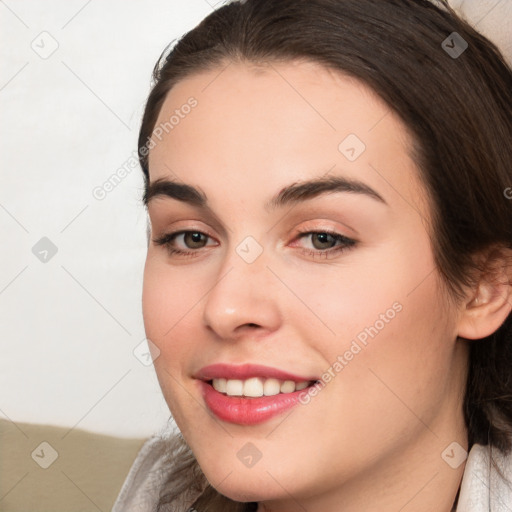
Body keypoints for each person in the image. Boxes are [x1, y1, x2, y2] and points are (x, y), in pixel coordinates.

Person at [112, 0, 512, 510]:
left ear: (484, 285)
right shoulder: (154, 494)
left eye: (322, 238)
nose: (227, 308)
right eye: (190, 237)